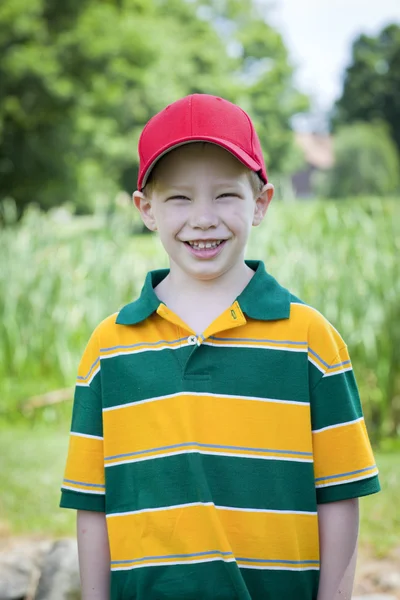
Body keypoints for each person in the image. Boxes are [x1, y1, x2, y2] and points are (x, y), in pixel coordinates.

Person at [60, 94, 380, 600]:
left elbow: (340, 496)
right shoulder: (109, 349)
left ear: (261, 203)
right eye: (179, 198)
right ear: (146, 209)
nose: (203, 218)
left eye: (226, 195)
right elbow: (92, 506)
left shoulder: (310, 340)